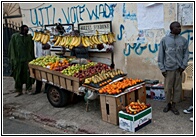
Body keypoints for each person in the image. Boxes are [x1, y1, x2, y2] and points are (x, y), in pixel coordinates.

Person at [158, 21, 189, 115]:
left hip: (179, 69)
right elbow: (161, 55)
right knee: (168, 88)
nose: (180, 29)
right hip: (168, 69)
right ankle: (168, 104)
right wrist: (162, 69)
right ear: (171, 29)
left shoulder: (183, 40)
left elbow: (186, 54)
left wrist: (183, 66)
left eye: (180, 27)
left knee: (177, 88)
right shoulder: (164, 40)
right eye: (177, 27)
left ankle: (174, 105)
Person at [8, 25, 35, 97]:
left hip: (27, 59)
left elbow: (32, 48)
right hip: (18, 60)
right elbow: (12, 49)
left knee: (28, 75)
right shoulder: (15, 37)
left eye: (27, 30)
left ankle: (28, 88)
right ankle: (18, 90)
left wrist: (32, 58)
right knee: (18, 75)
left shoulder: (29, 37)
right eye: (24, 30)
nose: (25, 31)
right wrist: (13, 59)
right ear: (21, 30)